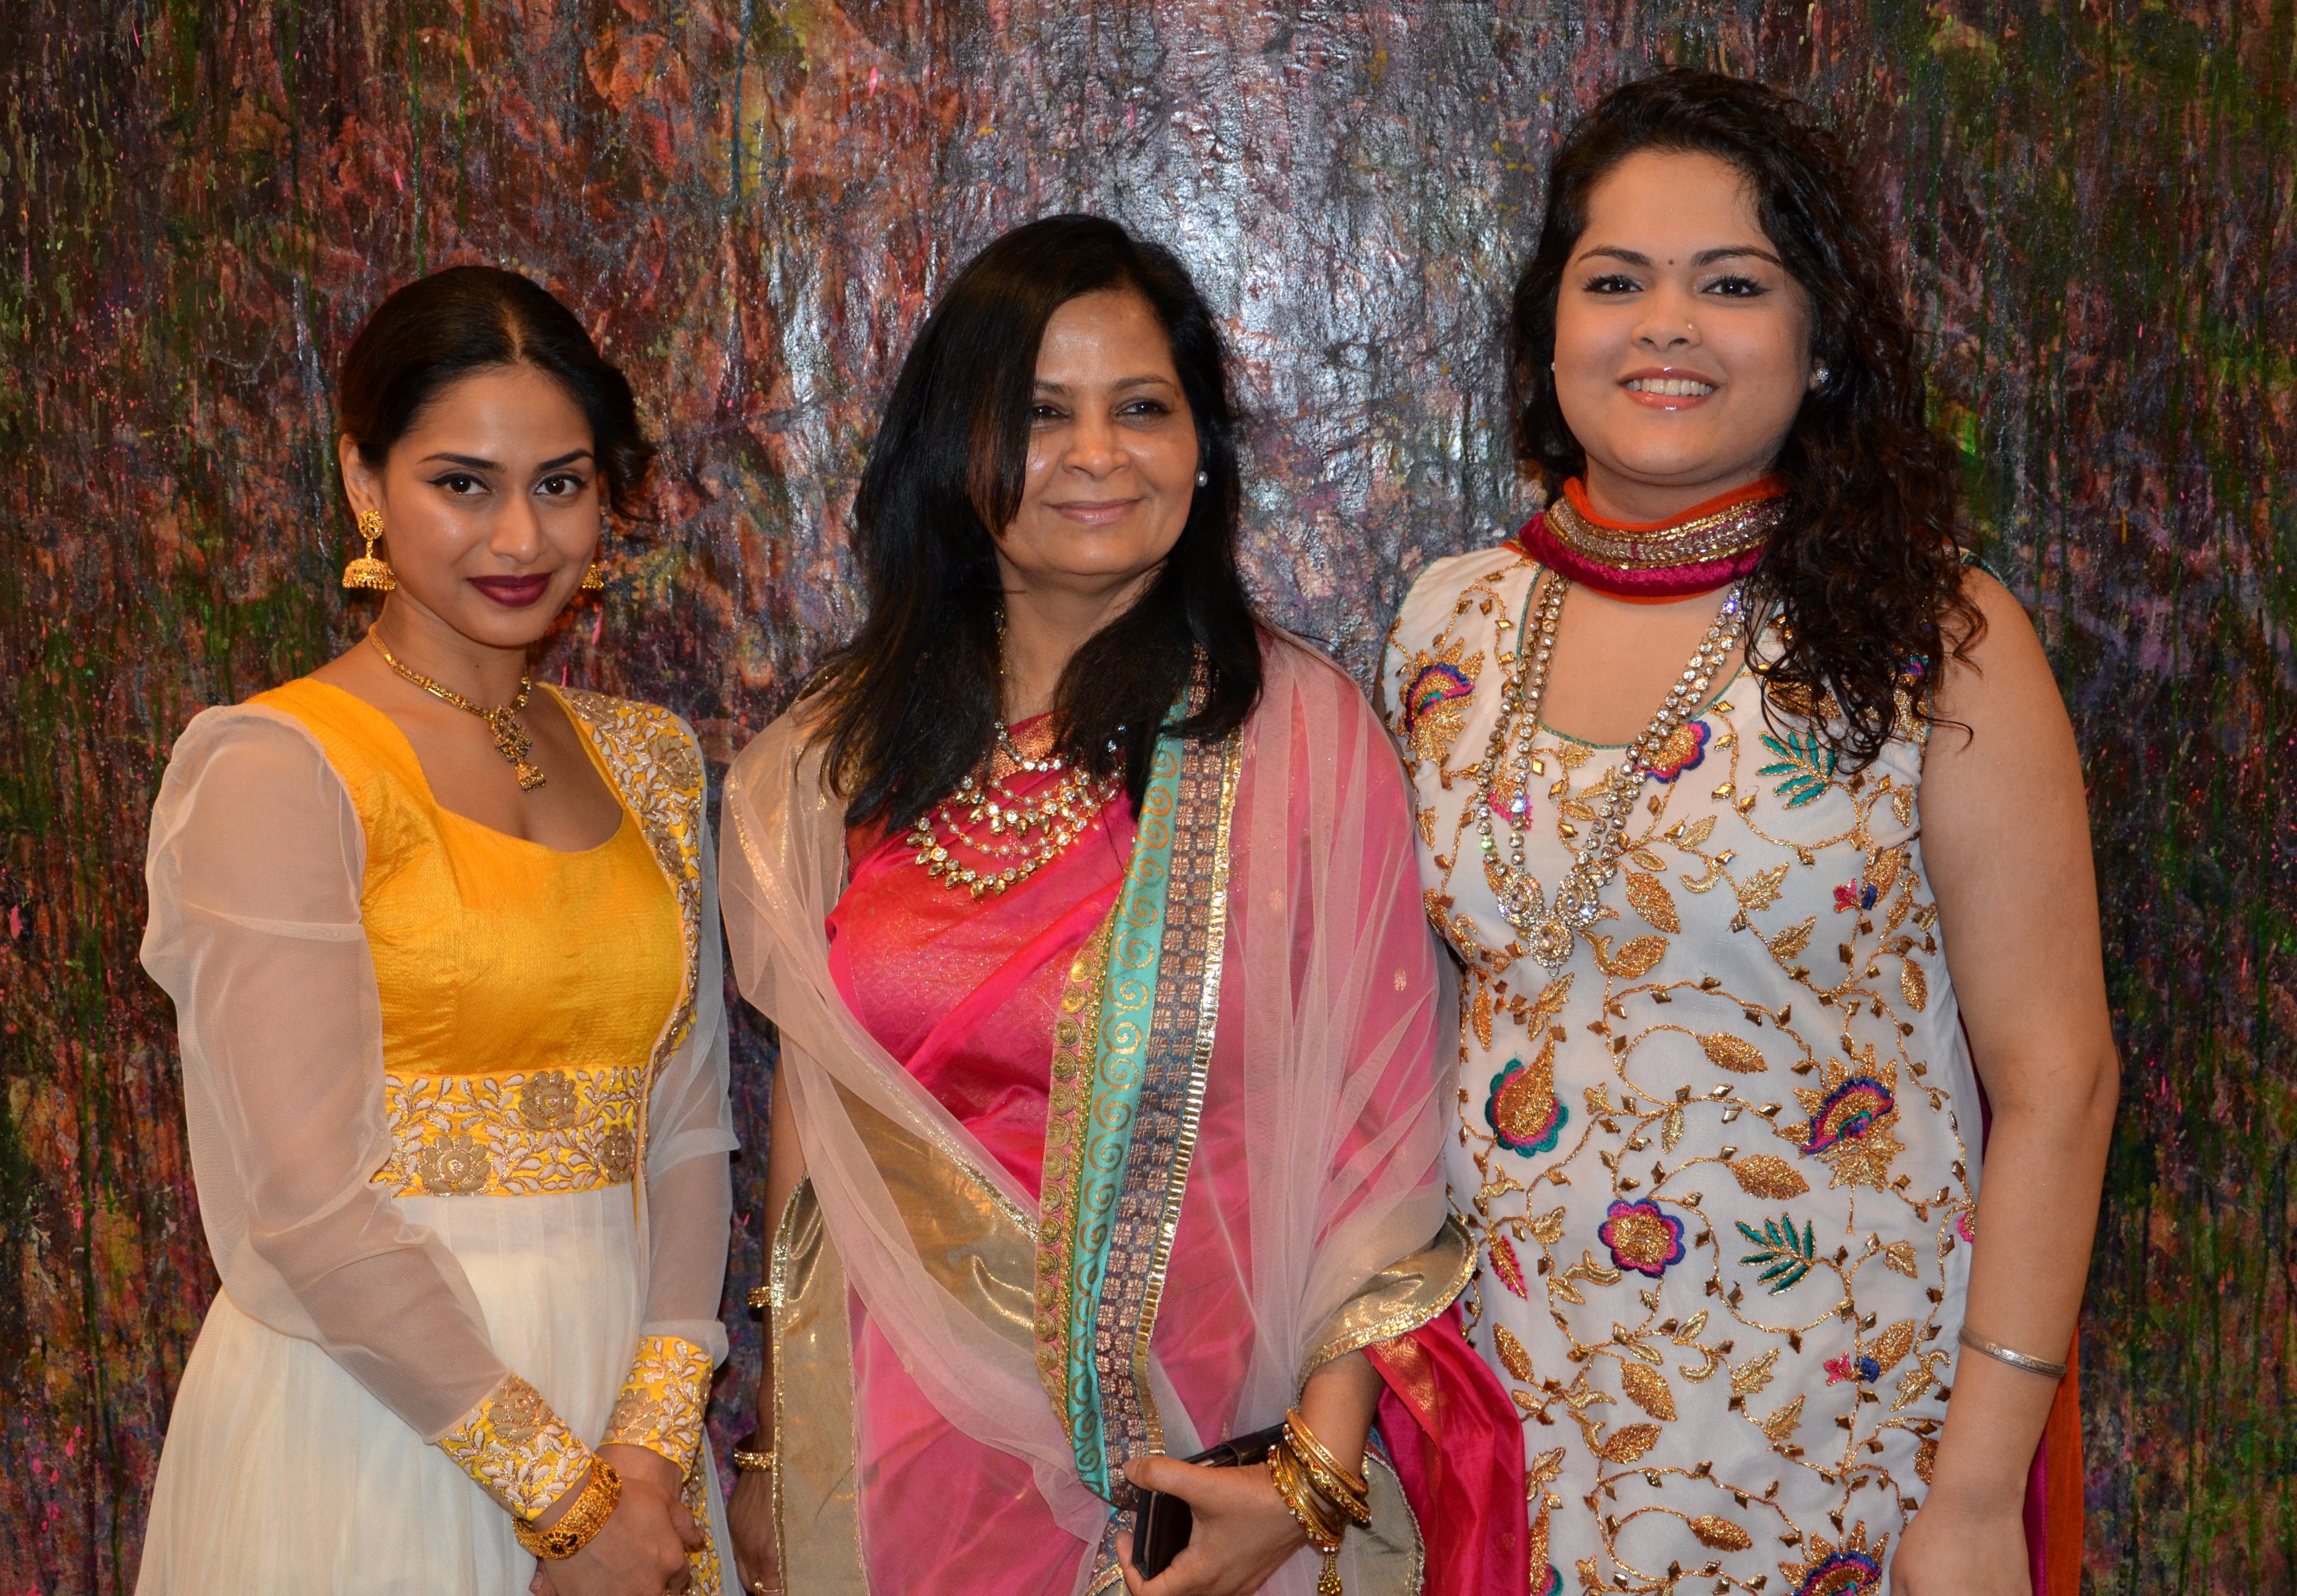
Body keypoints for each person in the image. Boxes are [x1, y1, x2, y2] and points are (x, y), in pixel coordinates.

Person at [1382, 71, 2118, 1596]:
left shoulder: (1933, 634)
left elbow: (2062, 1077)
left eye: (1732, 284)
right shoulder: (1447, 626)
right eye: (1616, 282)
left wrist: (1978, 1495)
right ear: (1550, 328)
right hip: (1524, 1416)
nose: (1667, 326)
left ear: (1820, 338)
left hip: (1850, 1437)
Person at [716, 215, 1525, 1596]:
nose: (1097, 454)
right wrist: (775, 1443)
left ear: (1202, 450)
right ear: (954, 449)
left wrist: (1309, 1475)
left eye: (1141, 408)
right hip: (890, 1452)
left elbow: (1375, 1140)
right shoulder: (832, 762)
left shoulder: (1294, 739)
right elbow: (817, 1121)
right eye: (1041, 414)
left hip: (1191, 1460)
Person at [136, 265, 738, 1596]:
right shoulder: (277, 765)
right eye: (463, 483)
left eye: (561, 484)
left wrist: (646, 1450)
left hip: (624, 1428)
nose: (520, 537)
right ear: (365, 481)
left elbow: (689, 1121)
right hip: (374, 1420)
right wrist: (559, 1498)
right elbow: (304, 1206)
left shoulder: (646, 759)